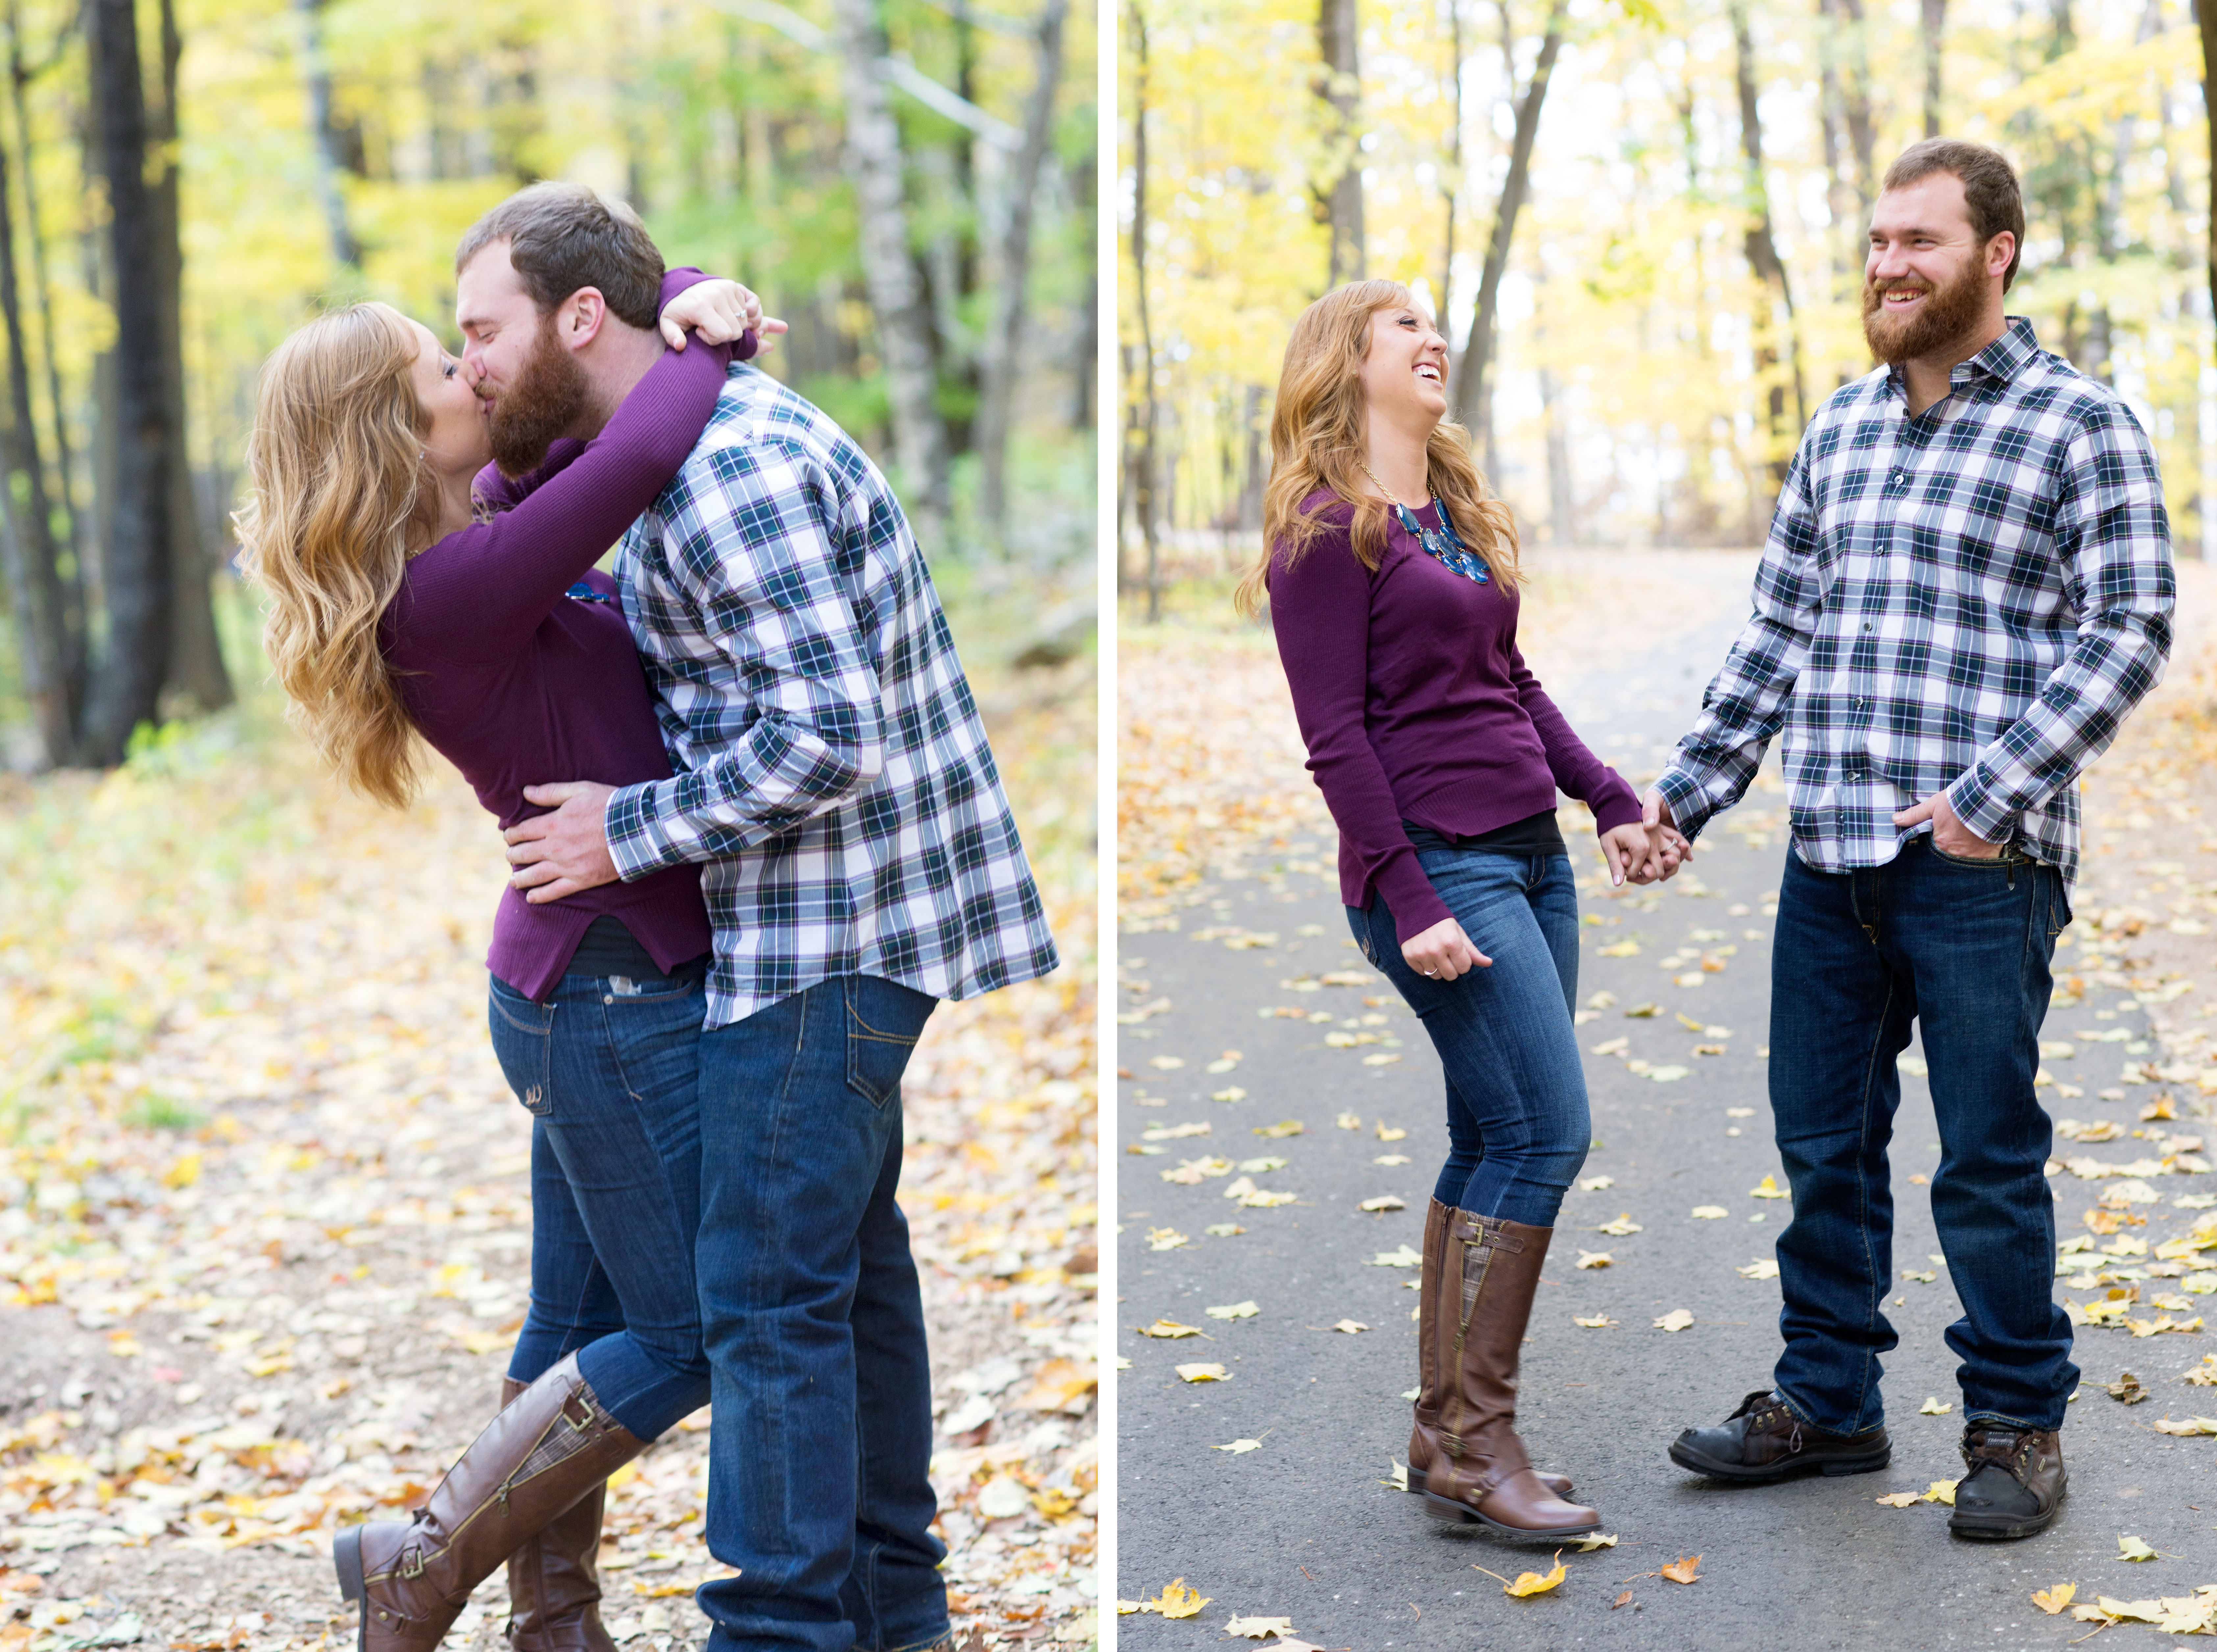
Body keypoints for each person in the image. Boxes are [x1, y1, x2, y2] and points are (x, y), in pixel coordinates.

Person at [475, 184, 1061, 1652]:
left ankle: (783, 1630)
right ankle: (894, 1608)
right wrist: (695, 294)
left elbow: (826, 735)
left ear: (579, 320)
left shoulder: (727, 466)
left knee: (761, 1300)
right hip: (816, 920)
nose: (470, 357)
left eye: (483, 329)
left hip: (827, 928)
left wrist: (625, 828)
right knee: (841, 1277)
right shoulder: (667, 438)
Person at [237, 255, 771, 1652]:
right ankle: (422, 1560)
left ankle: (557, 1624)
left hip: (566, 980)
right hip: (604, 990)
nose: (473, 373)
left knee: (573, 1317)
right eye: (442, 370)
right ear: (392, 431)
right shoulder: (456, 589)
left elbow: (596, 367)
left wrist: (685, 285)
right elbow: (650, 438)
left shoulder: (464, 533)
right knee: (691, 1331)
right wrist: (706, 335)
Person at [1647, 139, 2174, 1541]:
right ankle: (1826, 1397)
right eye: (1878, 241)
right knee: (1824, 1142)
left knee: (1987, 1154)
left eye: (1920, 242)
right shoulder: (1839, 427)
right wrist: (1689, 795)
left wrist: (1989, 793)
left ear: (1997, 251)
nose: (1888, 265)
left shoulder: (2082, 425)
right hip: (1829, 857)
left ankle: (2015, 1422)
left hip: (1981, 868)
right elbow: (1776, 636)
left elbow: (2130, 628)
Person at [1231, 279, 1681, 1540]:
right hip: (1440, 870)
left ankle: (1444, 1434)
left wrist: (1605, 798)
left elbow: (1510, 680)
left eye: (1437, 325)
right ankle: (1483, 1445)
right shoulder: (1326, 532)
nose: (1435, 340)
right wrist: (1409, 891)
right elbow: (1334, 740)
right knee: (1546, 1134)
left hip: (1527, 857)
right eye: (1403, 327)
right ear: (1343, 362)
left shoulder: (1451, 514)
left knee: (1497, 1136)